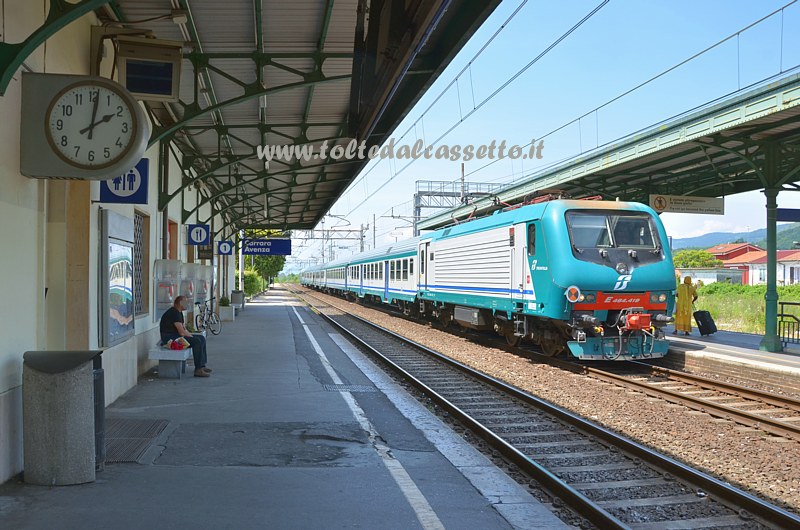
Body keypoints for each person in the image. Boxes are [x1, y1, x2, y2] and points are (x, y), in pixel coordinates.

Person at [160, 295, 211, 377]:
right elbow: (182, 332)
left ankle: (202, 366)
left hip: (175, 336)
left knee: (201, 338)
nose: (187, 304)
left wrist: (191, 335)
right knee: (196, 342)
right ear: (180, 303)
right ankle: (198, 370)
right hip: (170, 339)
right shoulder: (174, 313)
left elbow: (184, 329)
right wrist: (192, 338)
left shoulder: (179, 312)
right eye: (185, 302)